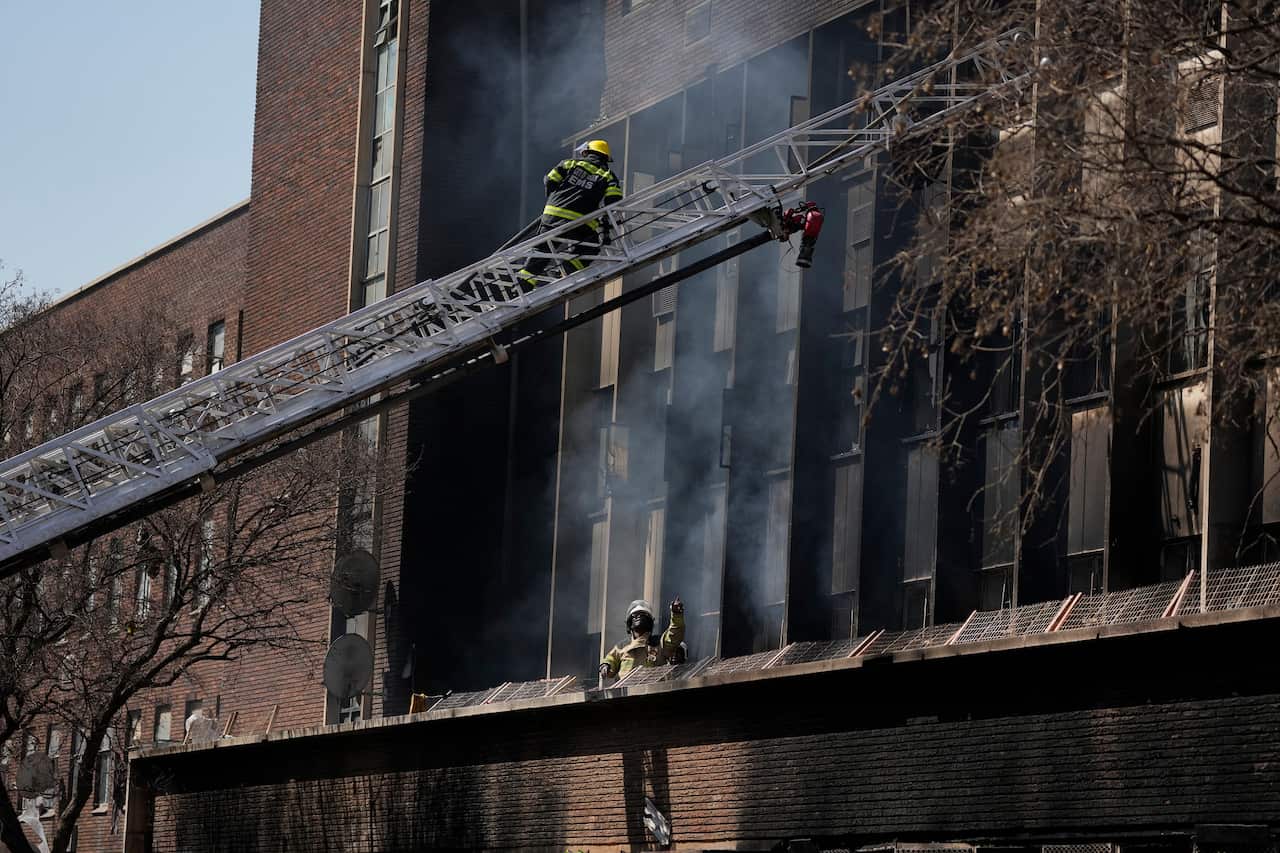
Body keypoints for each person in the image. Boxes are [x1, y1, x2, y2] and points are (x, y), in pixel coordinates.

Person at [518, 140, 624, 288]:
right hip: (580, 223)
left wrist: (554, 200)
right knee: (591, 244)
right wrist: (605, 226)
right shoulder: (607, 175)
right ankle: (571, 266)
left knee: (542, 249)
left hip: (553, 216)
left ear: (586, 152)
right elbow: (613, 201)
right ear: (605, 158)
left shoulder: (569, 163)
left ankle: (525, 282)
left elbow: (549, 181)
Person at [599, 597, 684, 680]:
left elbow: (675, 634)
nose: (639, 618)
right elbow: (611, 659)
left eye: (643, 615)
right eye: (636, 616)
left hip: (653, 691)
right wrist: (606, 665)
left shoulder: (660, 643)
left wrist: (676, 615)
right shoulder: (622, 646)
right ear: (630, 623)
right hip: (626, 692)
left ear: (650, 622)